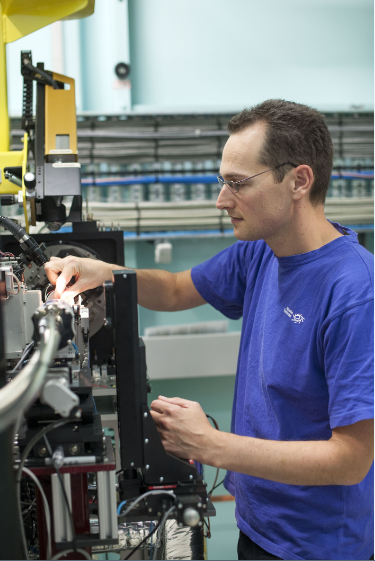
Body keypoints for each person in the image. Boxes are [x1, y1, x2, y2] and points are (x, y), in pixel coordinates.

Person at [45, 100, 374, 561]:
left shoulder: (355, 292)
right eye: (223, 182)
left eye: (237, 184)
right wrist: (105, 271)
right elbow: (179, 289)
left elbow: (352, 459)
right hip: (257, 526)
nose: (222, 200)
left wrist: (211, 444)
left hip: (316, 547)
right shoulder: (262, 250)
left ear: (299, 180)